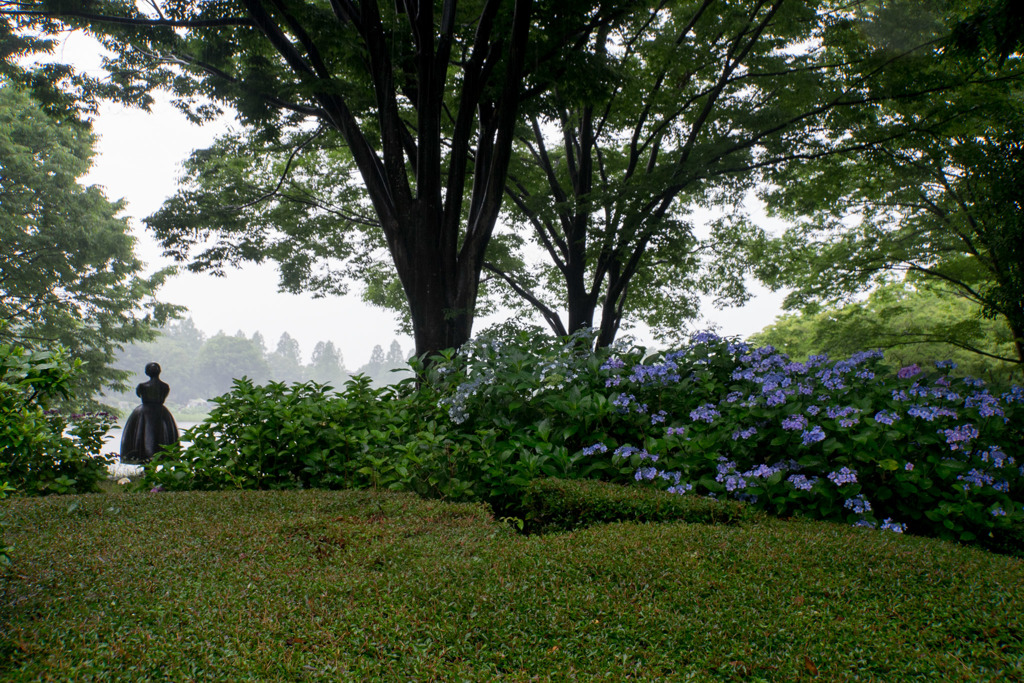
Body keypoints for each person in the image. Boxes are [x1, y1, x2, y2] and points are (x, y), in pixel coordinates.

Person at [120, 362, 179, 464]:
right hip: (161, 414)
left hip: (144, 413)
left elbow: (139, 394)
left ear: (147, 372)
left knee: (143, 437)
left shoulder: (142, 386)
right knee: (162, 438)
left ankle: (146, 462)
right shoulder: (165, 386)